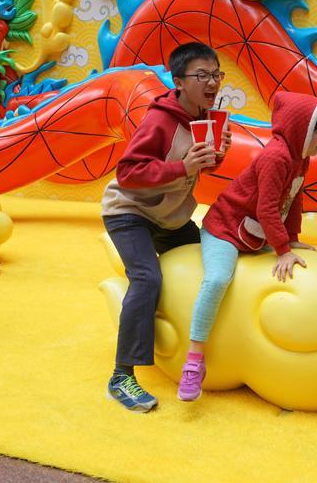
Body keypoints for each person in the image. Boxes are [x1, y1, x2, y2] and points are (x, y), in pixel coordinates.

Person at [100, 42, 232, 412]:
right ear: (179, 81)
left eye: (216, 74)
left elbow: (199, 166)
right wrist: (182, 167)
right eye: (201, 75)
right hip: (129, 211)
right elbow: (128, 172)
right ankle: (121, 376)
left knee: (210, 260)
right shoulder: (160, 119)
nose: (212, 82)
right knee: (147, 278)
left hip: (170, 216)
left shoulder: (205, 116)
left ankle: (197, 348)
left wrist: (216, 156)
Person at [177, 92, 317, 402]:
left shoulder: (301, 159)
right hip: (224, 229)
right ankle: (194, 359)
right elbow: (267, 209)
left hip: (253, 235)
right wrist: (283, 250)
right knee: (217, 279)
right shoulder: (276, 157)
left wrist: (292, 237)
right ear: (302, 130)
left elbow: (294, 198)